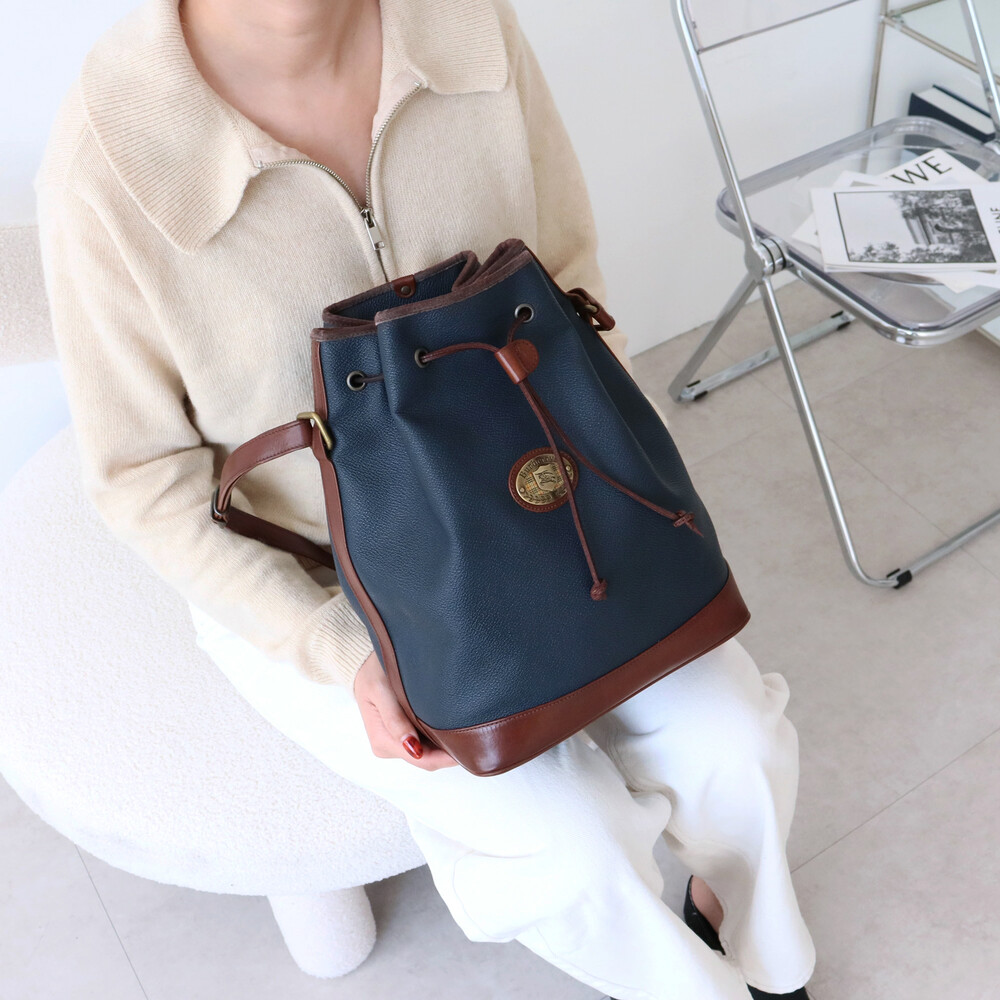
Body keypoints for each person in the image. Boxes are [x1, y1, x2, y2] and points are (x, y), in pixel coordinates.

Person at [33, 0, 817, 996]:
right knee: (564, 843)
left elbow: (565, 274)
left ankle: (757, 940)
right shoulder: (110, 154)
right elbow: (141, 477)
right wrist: (339, 648)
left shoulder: (466, 25)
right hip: (329, 579)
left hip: (542, 499)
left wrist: (601, 476)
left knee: (734, 741)